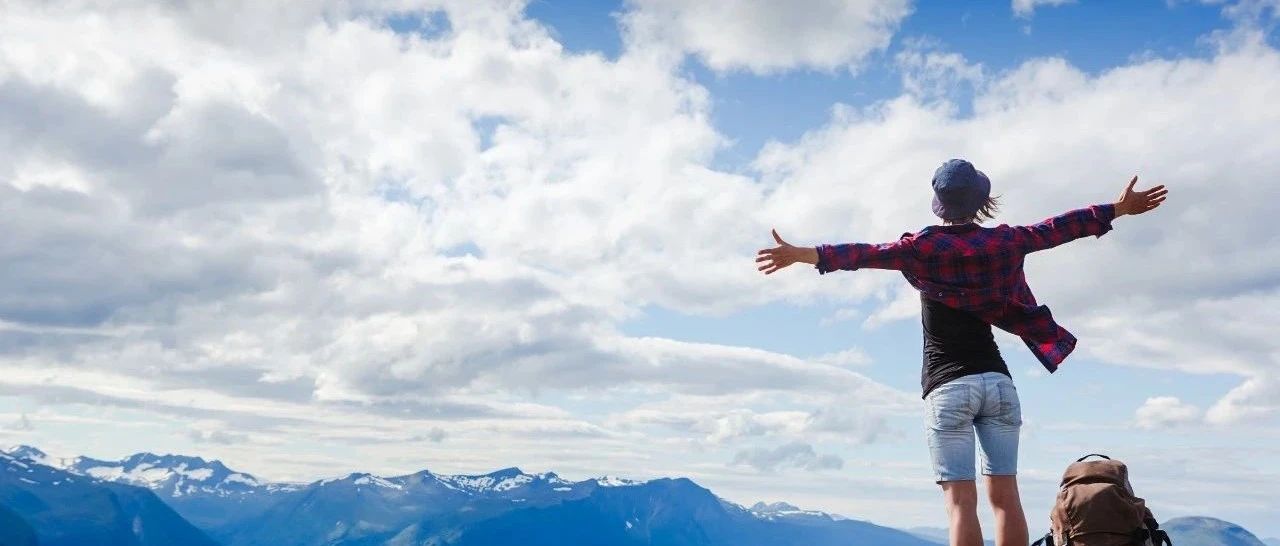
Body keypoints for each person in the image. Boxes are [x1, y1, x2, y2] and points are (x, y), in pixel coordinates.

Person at [754, 159, 1167, 546]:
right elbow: (1057, 228)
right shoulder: (1006, 243)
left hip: (948, 388)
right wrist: (1117, 209)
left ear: (939, 205)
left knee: (960, 503)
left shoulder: (919, 249)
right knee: (1005, 498)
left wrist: (801, 254)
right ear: (982, 201)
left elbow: (860, 254)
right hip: (999, 385)